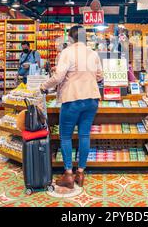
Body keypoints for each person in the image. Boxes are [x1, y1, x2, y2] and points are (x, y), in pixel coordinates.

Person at [40, 26, 103, 189]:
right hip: (92, 99)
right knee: (84, 135)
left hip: (73, 98)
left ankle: (68, 174)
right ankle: (80, 172)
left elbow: (59, 76)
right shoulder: (93, 53)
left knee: (66, 136)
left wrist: (44, 86)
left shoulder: (67, 52)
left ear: (71, 38)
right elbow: (100, 76)